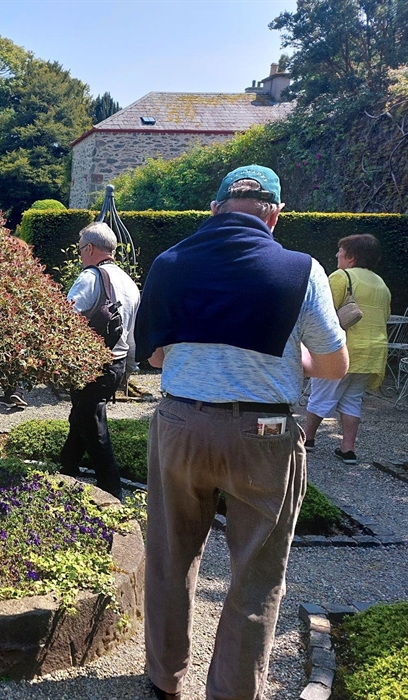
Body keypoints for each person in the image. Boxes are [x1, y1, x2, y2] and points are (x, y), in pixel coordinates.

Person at [134, 165, 348, 700]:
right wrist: (292, 356)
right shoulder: (302, 269)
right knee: (256, 572)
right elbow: (334, 365)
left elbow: (155, 357)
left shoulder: (169, 263)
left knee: (169, 556)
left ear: (214, 208)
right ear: (273, 214)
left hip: (182, 424)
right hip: (265, 434)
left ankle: (164, 681)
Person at [58, 222, 140, 499]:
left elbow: (63, 318)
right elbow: (131, 336)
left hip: (91, 366)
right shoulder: (129, 283)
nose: (80, 255)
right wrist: (127, 371)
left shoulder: (90, 277)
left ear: (90, 248)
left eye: (81, 249)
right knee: (81, 419)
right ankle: (65, 472)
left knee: (93, 430)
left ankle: (114, 493)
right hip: (114, 365)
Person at [304, 234, 391, 464]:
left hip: (342, 350)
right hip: (372, 353)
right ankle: (347, 449)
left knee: (320, 395)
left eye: (340, 252)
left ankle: (307, 440)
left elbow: (321, 313)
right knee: (353, 400)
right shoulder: (381, 284)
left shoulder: (342, 277)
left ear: (351, 257)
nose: (336, 256)